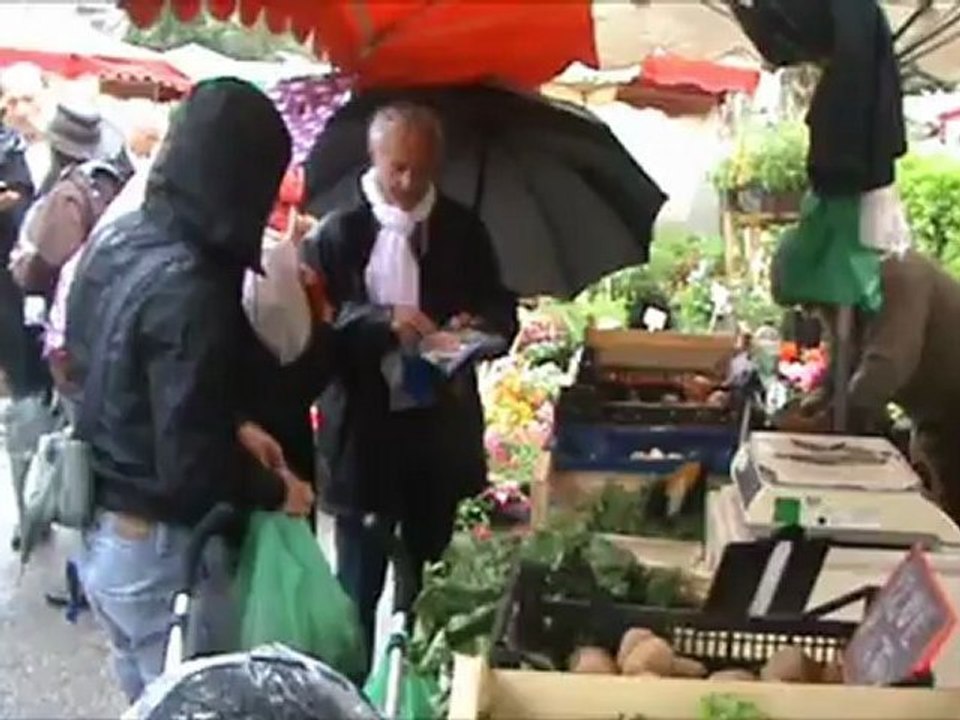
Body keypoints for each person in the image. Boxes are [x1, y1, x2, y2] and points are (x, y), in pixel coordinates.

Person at [66, 78, 312, 703]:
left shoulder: (120, 238)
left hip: (107, 535)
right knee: (198, 705)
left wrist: (234, 425)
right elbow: (190, 466)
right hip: (162, 550)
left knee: (148, 699)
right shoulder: (195, 283)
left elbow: (112, 377)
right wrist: (276, 489)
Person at [301, 102, 518, 657]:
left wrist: (475, 330)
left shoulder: (463, 230)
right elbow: (315, 330)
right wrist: (382, 320)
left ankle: (414, 688)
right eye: (397, 167)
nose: (408, 181)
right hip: (364, 435)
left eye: (421, 170)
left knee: (427, 590)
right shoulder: (337, 232)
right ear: (373, 158)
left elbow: (501, 313)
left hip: (437, 432)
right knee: (355, 588)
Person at [771, 246, 960, 525]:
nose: (812, 312)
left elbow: (888, 364)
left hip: (951, 404)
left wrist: (837, 417)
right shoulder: (846, 299)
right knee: (944, 512)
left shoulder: (899, 273)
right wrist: (819, 399)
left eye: (812, 302)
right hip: (934, 414)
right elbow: (842, 358)